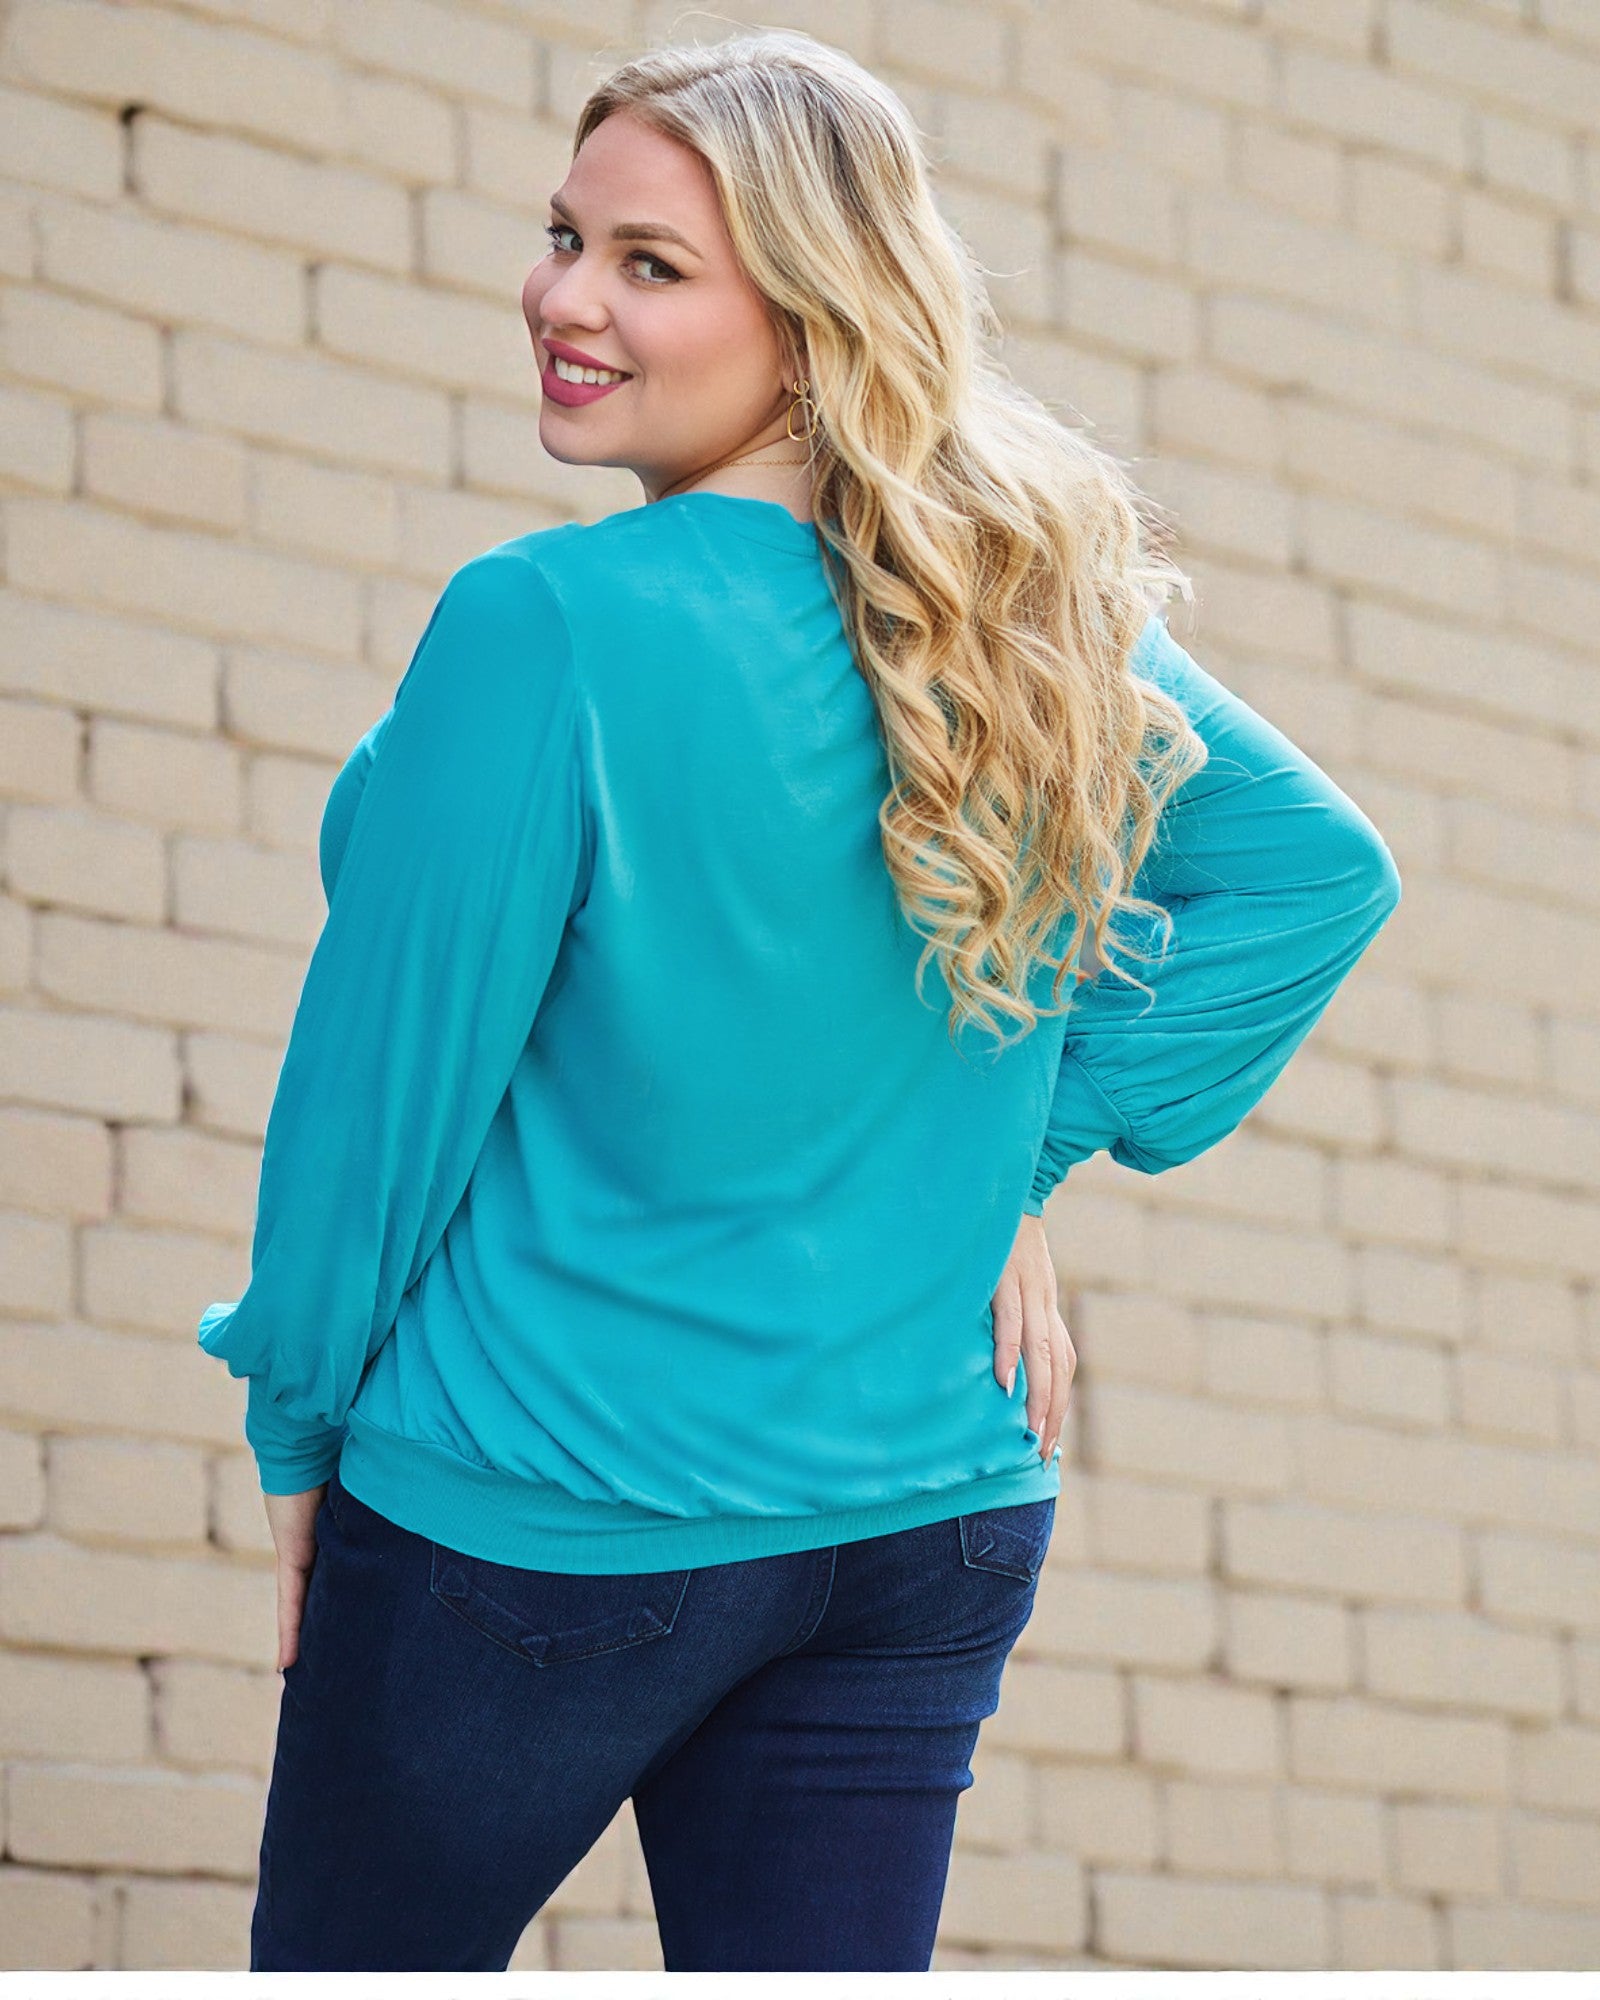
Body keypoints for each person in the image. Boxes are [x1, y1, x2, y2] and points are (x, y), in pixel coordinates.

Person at [195, 28, 1403, 1975]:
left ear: (815, 313)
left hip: (537, 1516)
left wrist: (293, 1436)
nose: (565, 299)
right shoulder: (1019, 612)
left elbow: (374, 1109)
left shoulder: (546, 622)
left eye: (650, 266)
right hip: (923, 1517)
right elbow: (1311, 877)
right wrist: (1017, 1157)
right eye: (563, 235)